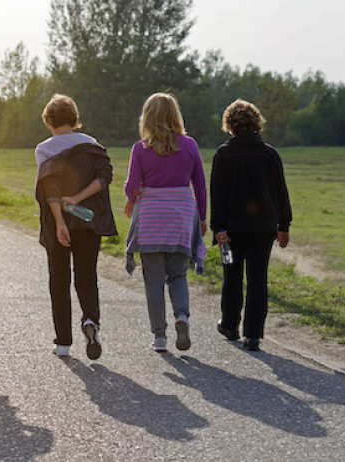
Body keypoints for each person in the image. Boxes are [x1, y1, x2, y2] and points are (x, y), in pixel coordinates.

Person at [35, 94, 117, 360]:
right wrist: (78, 199)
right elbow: (104, 177)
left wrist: (60, 222)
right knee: (86, 276)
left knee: (59, 281)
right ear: (75, 119)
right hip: (88, 220)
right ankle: (91, 320)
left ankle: (63, 342)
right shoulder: (93, 146)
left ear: (49, 121)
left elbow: (51, 187)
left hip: (57, 223)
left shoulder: (44, 149)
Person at [124, 93, 207, 353]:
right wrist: (202, 218)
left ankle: (160, 337)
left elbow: (132, 186)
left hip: (151, 220)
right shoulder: (190, 145)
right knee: (178, 275)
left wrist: (130, 199)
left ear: (147, 117)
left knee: (154, 280)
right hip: (181, 217)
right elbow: (201, 186)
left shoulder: (141, 148)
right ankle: (182, 317)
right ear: (175, 116)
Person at [210, 99, 291, 351]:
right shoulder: (270, 154)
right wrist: (284, 225)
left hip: (232, 229)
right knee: (258, 278)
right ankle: (253, 334)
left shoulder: (224, 154)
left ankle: (231, 325)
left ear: (229, 125)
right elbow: (281, 192)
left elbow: (218, 194)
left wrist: (218, 228)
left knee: (231, 276)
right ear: (257, 123)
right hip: (263, 228)